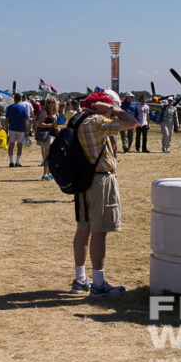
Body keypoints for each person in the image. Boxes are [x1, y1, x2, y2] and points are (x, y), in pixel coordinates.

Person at [70, 89, 139, 296]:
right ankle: (98, 284)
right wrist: (113, 109)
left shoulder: (76, 119)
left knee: (83, 229)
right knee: (100, 231)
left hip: (82, 179)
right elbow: (133, 122)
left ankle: (80, 279)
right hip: (100, 179)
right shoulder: (96, 122)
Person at [35, 97, 59, 181]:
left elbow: (57, 125)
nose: (51, 104)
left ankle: (49, 173)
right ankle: (45, 174)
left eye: (52, 102)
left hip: (54, 135)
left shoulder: (56, 113)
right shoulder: (44, 112)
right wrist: (50, 125)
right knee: (47, 156)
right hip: (47, 135)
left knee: (52, 156)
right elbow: (39, 124)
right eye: (49, 102)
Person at [5, 92, 30, 167]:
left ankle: (11, 161)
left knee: (11, 145)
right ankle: (17, 161)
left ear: (14, 99)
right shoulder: (23, 108)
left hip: (12, 129)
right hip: (21, 129)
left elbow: (7, 120)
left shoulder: (9, 107)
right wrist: (27, 131)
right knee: (19, 146)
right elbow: (26, 121)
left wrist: (6, 129)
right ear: (21, 99)